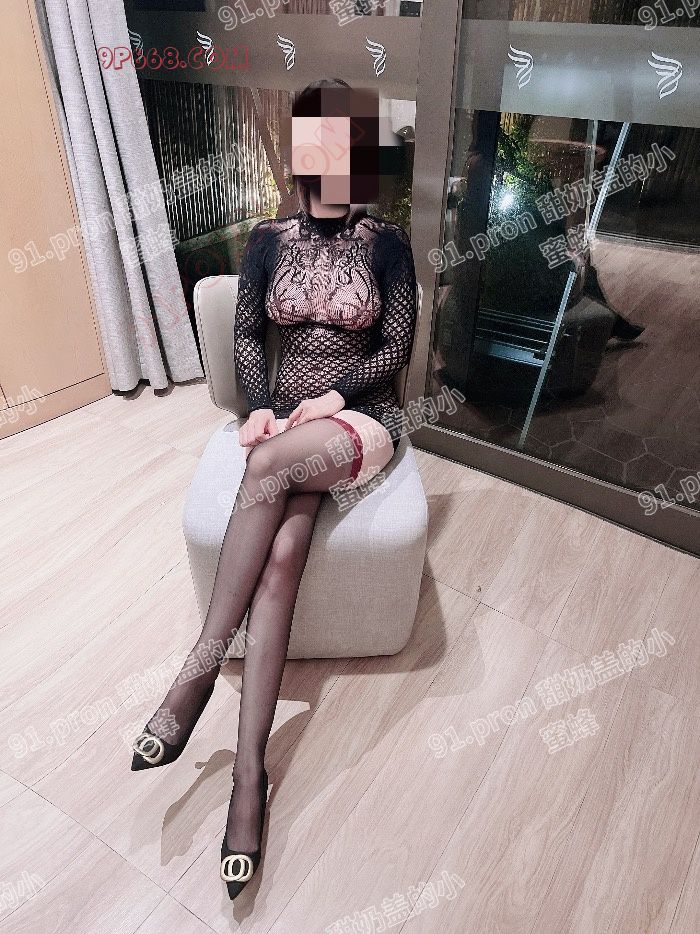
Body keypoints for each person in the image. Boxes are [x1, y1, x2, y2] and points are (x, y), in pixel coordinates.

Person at [130, 78, 418, 901]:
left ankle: (195, 674)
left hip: (360, 421)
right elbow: (250, 332)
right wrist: (260, 406)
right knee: (283, 553)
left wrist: (331, 399)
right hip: (289, 427)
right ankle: (249, 775)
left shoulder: (387, 242)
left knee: (263, 469)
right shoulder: (267, 239)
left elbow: (395, 347)